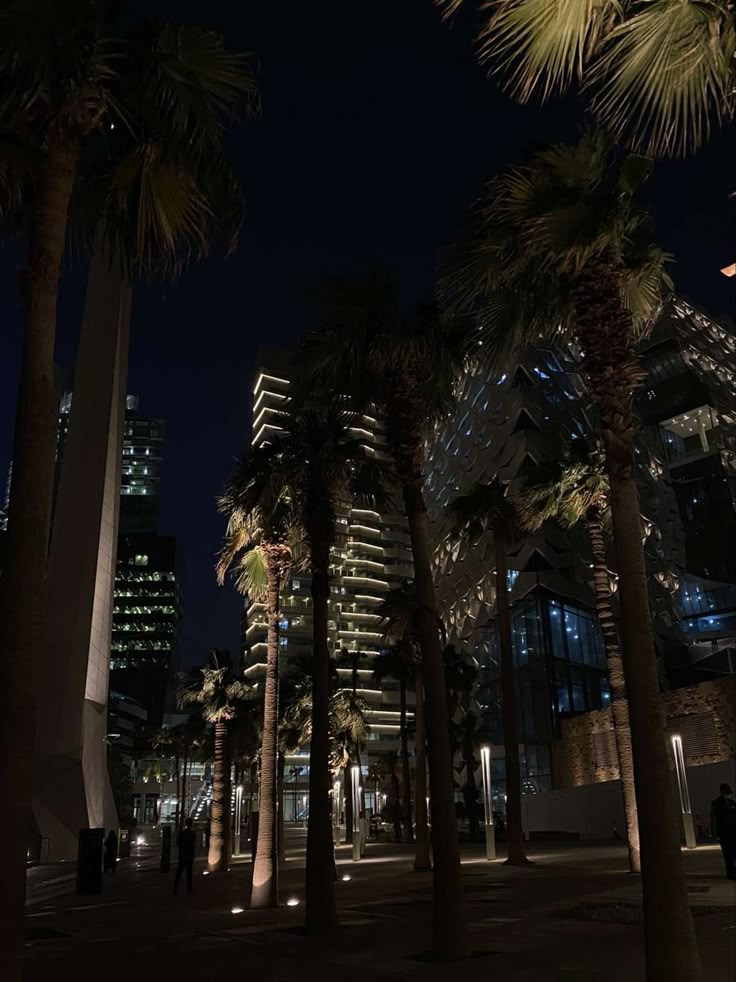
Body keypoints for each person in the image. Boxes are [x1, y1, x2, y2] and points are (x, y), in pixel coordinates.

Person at [710, 783, 736, 880]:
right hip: (724, 833)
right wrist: (715, 833)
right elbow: (714, 819)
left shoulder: (732, 802)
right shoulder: (716, 803)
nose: (729, 795)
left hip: (733, 832)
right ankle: (730, 872)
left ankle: (732, 870)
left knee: (733, 853)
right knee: (727, 853)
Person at [174, 818, 196, 893]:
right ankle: (189, 888)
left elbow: (177, 843)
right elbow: (193, 843)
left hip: (182, 855)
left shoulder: (182, 833)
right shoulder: (192, 834)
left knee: (179, 872)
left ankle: (175, 887)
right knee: (189, 872)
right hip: (189, 855)